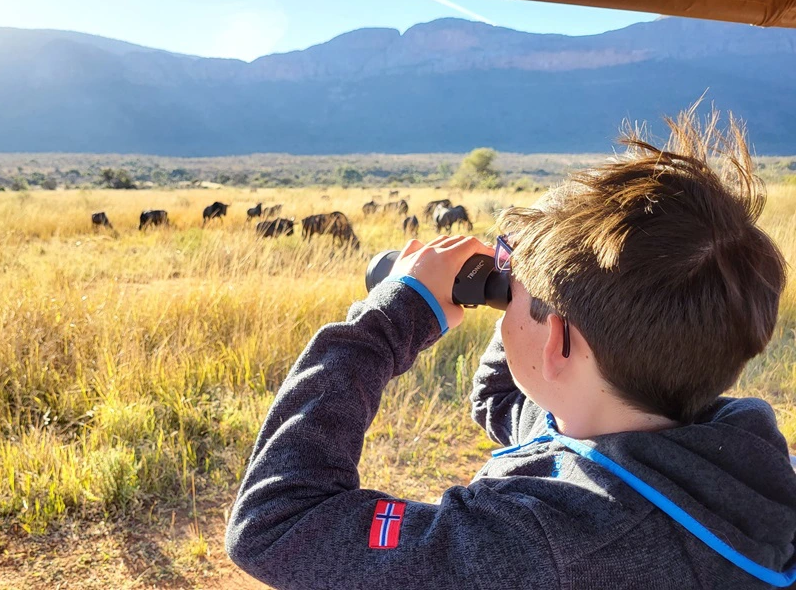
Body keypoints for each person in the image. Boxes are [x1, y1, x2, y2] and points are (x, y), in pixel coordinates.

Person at [225, 107, 796, 589]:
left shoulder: (533, 544)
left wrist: (392, 316)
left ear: (558, 343)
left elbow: (276, 523)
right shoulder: (738, 458)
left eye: (514, 297)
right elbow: (500, 403)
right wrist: (530, 282)